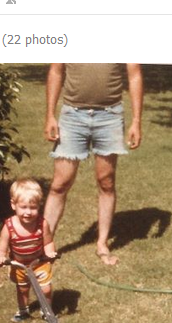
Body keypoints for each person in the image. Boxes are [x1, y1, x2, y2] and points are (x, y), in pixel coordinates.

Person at [43, 63, 143, 265]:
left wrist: (136, 121)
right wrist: (50, 115)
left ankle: (102, 244)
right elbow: (55, 71)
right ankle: (45, 244)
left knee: (106, 182)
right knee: (60, 183)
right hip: (72, 116)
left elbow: (135, 76)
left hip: (110, 116)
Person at [0, 179, 57, 323]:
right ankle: (23, 311)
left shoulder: (42, 224)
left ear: (39, 206)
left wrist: (50, 253)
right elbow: (2, 248)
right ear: (13, 205)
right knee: (23, 290)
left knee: (46, 289)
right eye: (23, 207)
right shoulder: (9, 227)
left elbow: (48, 242)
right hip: (19, 265)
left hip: (39, 263)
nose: (28, 212)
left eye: (33, 207)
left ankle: (47, 311)